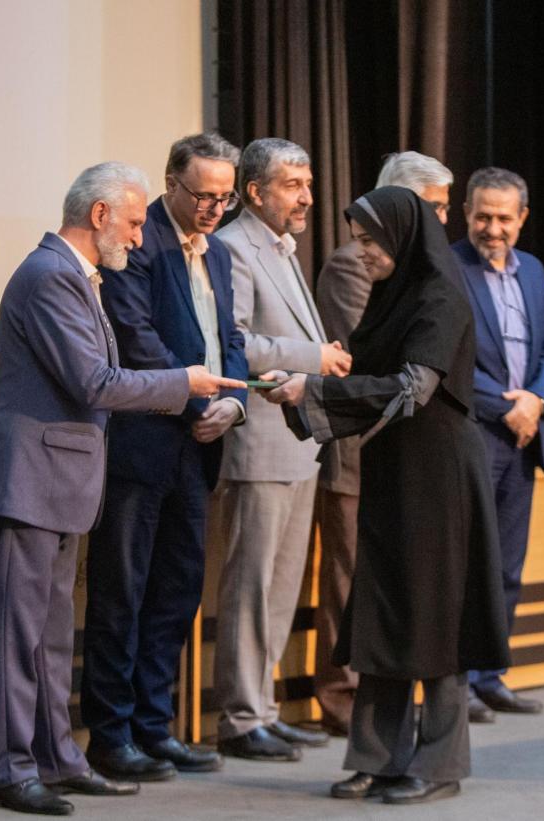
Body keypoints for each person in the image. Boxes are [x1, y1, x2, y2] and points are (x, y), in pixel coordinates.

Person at [0, 162, 244, 816]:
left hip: (58, 482)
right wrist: (183, 382)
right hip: (27, 482)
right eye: (135, 222)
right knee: (17, 638)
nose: (141, 237)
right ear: (98, 214)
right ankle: (10, 770)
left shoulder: (77, 277)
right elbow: (93, 382)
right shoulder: (49, 276)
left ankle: (58, 758)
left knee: (52, 637)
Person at [262, 186, 509, 805]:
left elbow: (409, 390)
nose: (362, 252)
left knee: (436, 619)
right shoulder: (391, 295)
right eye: (358, 240)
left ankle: (439, 765)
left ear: (403, 237)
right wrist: (305, 382)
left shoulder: (441, 296)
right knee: (382, 613)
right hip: (395, 470)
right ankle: (378, 758)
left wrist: (311, 393)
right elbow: (369, 377)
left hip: (440, 479)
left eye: (371, 240)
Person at [80, 133, 247, 780]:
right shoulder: (138, 239)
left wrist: (236, 403)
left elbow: (230, 339)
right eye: (204, 195)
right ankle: (111, 735)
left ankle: (154, 727)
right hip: (143, 443)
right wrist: (197, 405)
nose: (214, 208)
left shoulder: (220, 254)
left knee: (177, 591)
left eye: (225, 198)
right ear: (171, 182)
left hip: (199, 448)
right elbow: (135, 336)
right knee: (121, 592)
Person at [211, 137, 351, 761]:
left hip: (297, 445)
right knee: (252, 587)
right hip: (260, 445)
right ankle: (240, 718)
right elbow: (234, 342)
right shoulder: (233, 246)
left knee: (281, 587)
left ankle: (263, 709)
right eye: (293, 185)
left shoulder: (281, 247)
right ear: (254, 191)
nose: (307, 198)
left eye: (308, 184)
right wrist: (312, 356)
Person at [311, 150, 454, 737]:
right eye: (433, 207)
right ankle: (343, 699)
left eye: (443, 208)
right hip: (359, 446)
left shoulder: (433, 276)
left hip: (410, 447)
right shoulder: (353, 265)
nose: (442, 219)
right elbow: (364, 357)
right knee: (350, 579)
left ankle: (395, 702)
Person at [452, 167, 544, 723]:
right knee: (469, 566)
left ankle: (491, 674)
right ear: (466, 213)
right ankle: (459, 683)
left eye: (503, 218)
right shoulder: (450, 267)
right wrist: (510, 407)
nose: (492, 228)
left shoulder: (534, 271)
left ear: (522, 218)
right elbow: (448, 360)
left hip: (523, 439)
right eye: (482, 216)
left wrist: (537, 402)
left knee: (507, 567)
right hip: (475, 435)